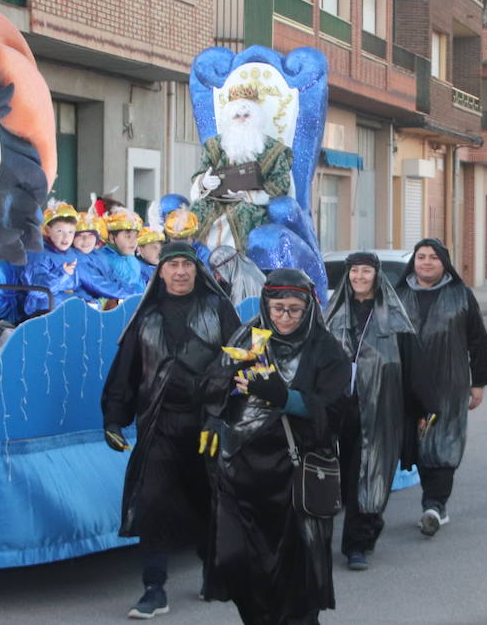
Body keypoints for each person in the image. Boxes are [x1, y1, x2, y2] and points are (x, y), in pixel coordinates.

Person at [199, 268, 351, 624]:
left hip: (293, 475)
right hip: (242, 472)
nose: (285, 317)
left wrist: (284, 397)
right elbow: (213, 382)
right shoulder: (248, 336)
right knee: (240, 566)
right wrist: (216, 413)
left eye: (294, 309)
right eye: (277, 308)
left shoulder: (326, 349)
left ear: (308, 309)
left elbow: (334, 411)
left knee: (296, 579)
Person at [101, 242, 242, 620]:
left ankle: (213, 570)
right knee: (153, 503)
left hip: (208, 425)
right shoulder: (145, 317)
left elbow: (239, 367)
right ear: (160, 271)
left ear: (197, 270)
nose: (180, 271)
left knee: (209, 501)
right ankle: (154, 588)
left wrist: (224, 416)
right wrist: (114, 418)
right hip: (159, 425)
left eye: (186, 264)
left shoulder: (219, 310)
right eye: (172, 264)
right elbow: (126, 371)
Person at [322, 252, 430, 572]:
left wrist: (420, 409)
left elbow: (413, 367)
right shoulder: (332, 314)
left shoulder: (394, 317)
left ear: (376, 275)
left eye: (366, 271)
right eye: (354, 271)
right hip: (340, 410)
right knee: (343, 476)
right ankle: (356, 527)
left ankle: (357, 543)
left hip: (381, 407)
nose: (359, 276)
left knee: (369, 474)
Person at [394, 239, 487, 537]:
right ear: (414, 262)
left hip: (448, 385)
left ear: (444, 263)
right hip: (405, 384)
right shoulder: (398, 295)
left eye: (433, 257)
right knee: (414, 442)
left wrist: (478, 383)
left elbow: (478, 341)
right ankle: (428, 501)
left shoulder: (461, 295)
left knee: (444, 443)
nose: (426, 262)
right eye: (421, 257)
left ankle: (435, 506)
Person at [189, 85, 293, 251]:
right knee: (196, 211)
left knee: (241, 213)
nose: (242, 120)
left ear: (256, 117)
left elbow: (281, 183)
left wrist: (250, 195)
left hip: (251, 204)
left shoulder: (274, 149)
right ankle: (197, 259)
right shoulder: (214, 145)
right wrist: (204, 182)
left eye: (246, 115)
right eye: (237, 116)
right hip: (216, 201)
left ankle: (235, 261)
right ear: (229, 119)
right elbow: (200, 174)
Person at [19, 202, 82, 317]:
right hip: (43, 310)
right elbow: (38, 290)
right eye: (60, 231)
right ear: (47, 231)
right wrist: (62, 273)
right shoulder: (38, 253)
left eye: (70, 232)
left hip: (65, 304)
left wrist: (88, 301)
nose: (66, 237)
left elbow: (76, 286)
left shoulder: (70, 253)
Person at [87, 208, 147, 301]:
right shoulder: (104, 259)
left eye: (135, 236)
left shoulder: (129, 257)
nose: (133, 241)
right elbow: (131, 286)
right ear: (112, 238)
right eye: (127, 236)